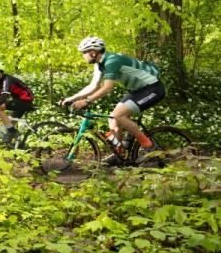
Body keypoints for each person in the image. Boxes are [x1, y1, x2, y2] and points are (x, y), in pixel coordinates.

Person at [61, 36, 164, 165]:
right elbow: (93, 86)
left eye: (84, 53)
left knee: (118, 115)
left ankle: (149, 147)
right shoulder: (100, 65)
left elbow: (108, 87)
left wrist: (87, 101)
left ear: (93, 52)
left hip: (153, 88)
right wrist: (71, 99)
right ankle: (118, 153)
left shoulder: (112, 61)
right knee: (112, 118)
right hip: (137, 91)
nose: (83, 56)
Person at [0, 59, 35, 142]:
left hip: (25, 102)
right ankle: (17, 145)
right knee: (9, 123)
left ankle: (13, 132)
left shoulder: (7, 80)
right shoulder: (0, 81)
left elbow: (3, 98)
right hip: (18, 101)